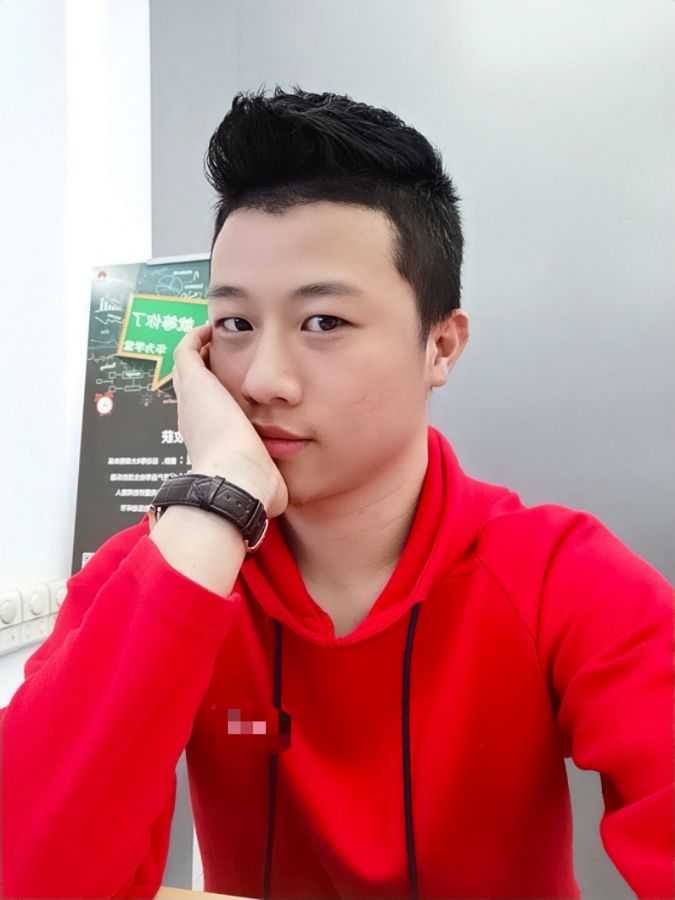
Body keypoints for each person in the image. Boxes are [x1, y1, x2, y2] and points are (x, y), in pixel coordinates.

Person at [2, 86, 672, 900]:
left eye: (323, 322)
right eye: (235, 325)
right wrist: (217, 499)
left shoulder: (560, 576)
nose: (264, 380)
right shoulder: (170, 570)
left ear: (440, 345)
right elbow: (30, 875)